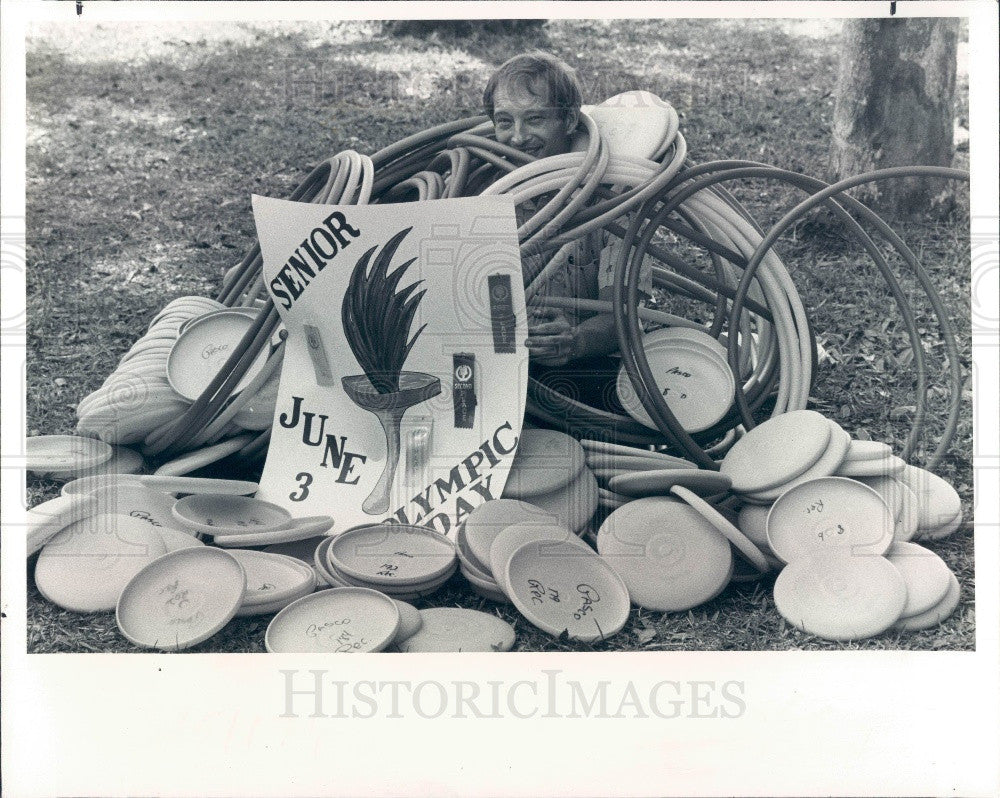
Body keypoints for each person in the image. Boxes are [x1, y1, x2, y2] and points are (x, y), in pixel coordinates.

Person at [483, 52, 652, 411]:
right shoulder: (481, 198)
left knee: (625, 401)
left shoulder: (616, 203)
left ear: (570, 120)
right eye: (504, 121)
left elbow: (622, 314)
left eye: (535, 119)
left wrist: (576, 340)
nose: (517, 137)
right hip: (498, 368)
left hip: (587, 365)